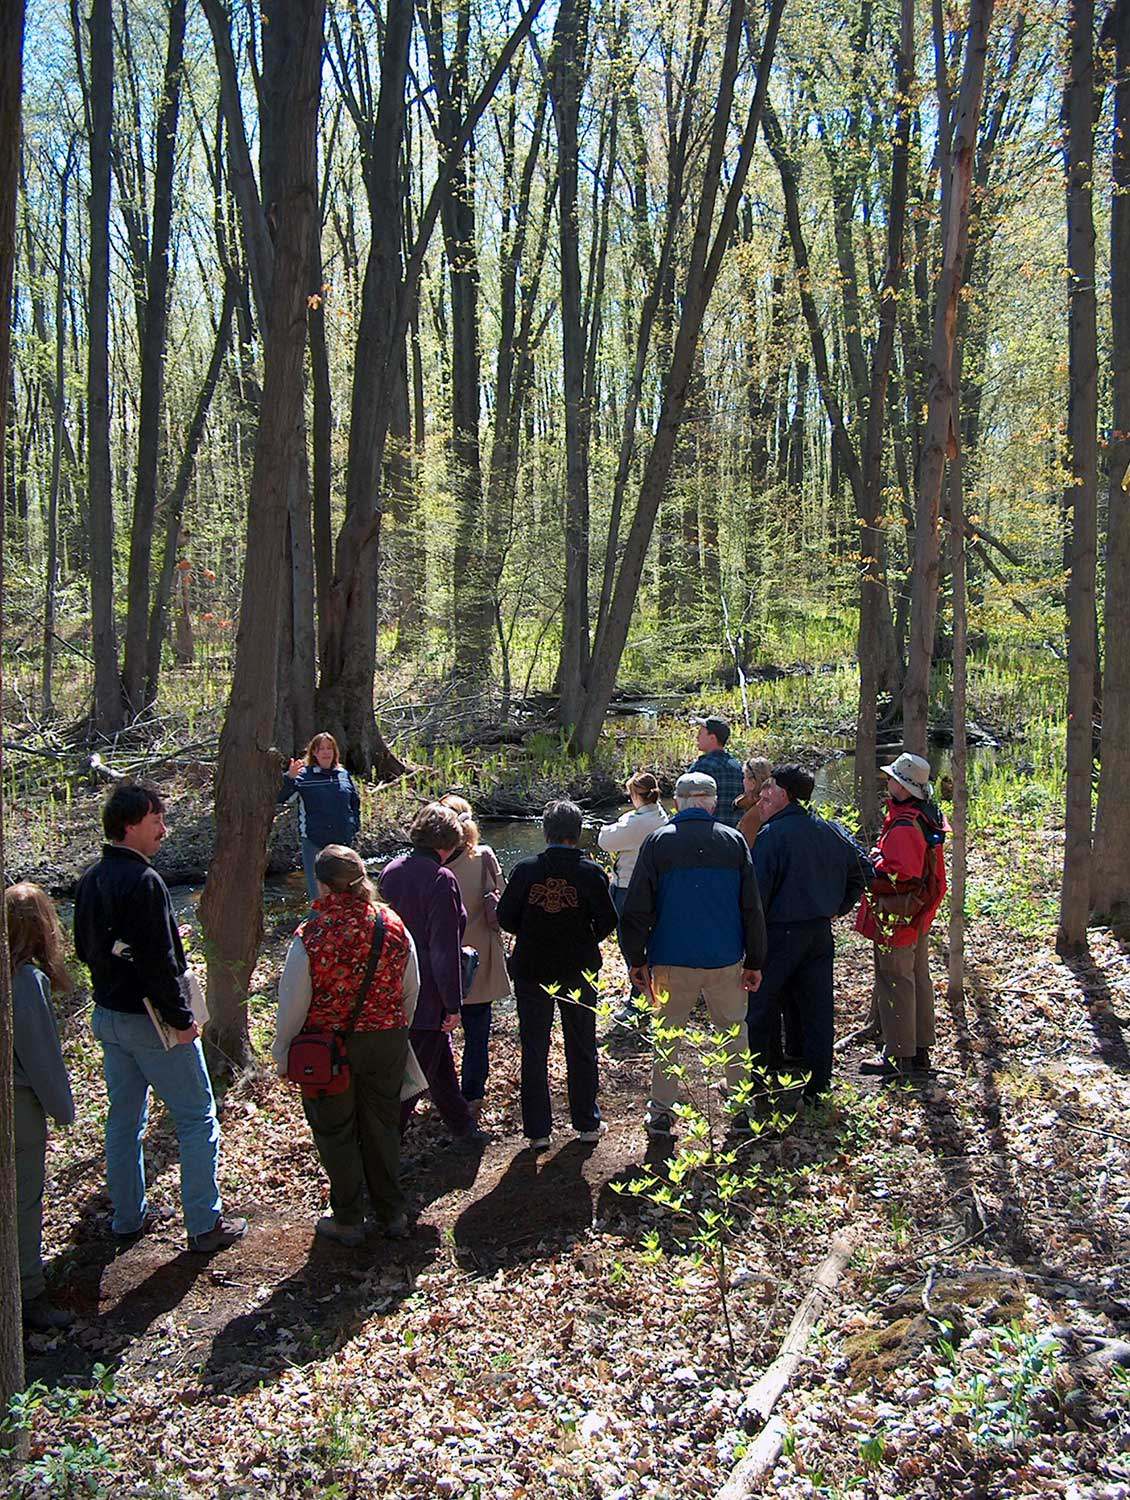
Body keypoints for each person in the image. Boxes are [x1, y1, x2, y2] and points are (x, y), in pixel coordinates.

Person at [74, 782, 246, 1254]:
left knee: (124, 1121)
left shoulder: (91, 879)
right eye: (156, 823)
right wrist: (182, 1019)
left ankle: (128, 1218)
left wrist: (127, 954)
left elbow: (86, 948)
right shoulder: (145, 882)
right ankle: (204, 1225)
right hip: (150, 1022)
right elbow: (158, 966)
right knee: (197, 1118)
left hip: (108, 1016)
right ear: (130, 826)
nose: (164, 832)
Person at [273, 846, 417, 1243]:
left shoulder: (311, 935)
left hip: (326, 1050)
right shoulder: (392, 924)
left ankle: (350, 1219)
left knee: (335, 1131)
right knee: (383, 1126)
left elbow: (293, 1003)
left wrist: (283, 1052)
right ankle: (392, 1214)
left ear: (320, 883)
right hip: (385, 1041)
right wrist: (393, 1026)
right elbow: (411, 988)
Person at [619, 772, 766, 1137]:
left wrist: (635, 958)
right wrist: (755, 960)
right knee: (734, 1032)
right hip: (726, 958)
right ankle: (741, 1110)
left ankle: (661, 1114)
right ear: (713, 804)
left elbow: (636, 908)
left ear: (677, 804)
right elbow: (752, 908)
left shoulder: (658, 842)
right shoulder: (732, 842)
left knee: (667, 1035)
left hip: (671, 959)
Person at [497, 800, 619, 1150]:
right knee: (581, 1044)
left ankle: (538, 1132)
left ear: (545, 831)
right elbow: (609, 921)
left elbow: (505, 917)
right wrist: (583, 937)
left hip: (532, 968)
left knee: (534, 1048)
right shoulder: (591, 873)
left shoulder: (525, 870)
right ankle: (587, 1123)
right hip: (578, 969)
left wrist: (533, 931)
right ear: (577, 834)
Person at [745, 765, 867, 1100]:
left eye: (769, 788)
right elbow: (863, 869)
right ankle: (818, 1085)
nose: (763, 794)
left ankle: (756, 1083)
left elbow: (757, 895)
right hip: (818, 934)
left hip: (780, 934)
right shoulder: (830, 830)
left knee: (758, 1007)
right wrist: (838, 905)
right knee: (818, 1010)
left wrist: (750, 942)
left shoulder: (773, 835)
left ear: (785, 794)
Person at [380, 803, 486, 1151]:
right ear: (447, 844)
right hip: (427, 994)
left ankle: (463, 1127)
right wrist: (452, 1005)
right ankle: (381, 1153)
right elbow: (444, 948)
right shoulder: (441, 880)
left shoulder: (391, 871)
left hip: (394, 985)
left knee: (437, 1064)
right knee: (412, 1079)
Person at [8, 884, 76, 1331]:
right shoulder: (25, 981)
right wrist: (63, 1109)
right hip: (19, 1108)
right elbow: (41, 1056)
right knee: (24, 1201)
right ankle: (27, 1293)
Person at [856, 753, 948, 1079]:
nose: (888, 781)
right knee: (916, 977)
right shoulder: (923, 816)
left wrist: (870, 869)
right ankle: (918, 1050)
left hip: (900, 913)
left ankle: (898, 1056)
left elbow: (902, 876)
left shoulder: (907, 823)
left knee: (895, 979)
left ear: (905, 787)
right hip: (916, 911)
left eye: (893, 778)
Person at [439, 795, 510, 1112]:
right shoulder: (484, 857)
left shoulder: (432, 863)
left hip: (441, 957)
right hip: (479, 954)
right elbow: (504, 900)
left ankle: (443, 1091)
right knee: (478, 1030)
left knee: (440, 1030)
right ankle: (473, 1093)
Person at [597, 772, 668, 1024]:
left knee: (631, 947)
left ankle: (639, 1002)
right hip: (650, 888)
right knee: (644, 945)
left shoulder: (638, 822)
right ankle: (647, 996)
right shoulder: (659, 815)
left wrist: (619, 822)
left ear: (636, 795)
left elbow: (604, 840)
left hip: (629, 888)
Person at [278, 732, 362, 900]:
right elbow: (280, 798)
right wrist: (289, 778)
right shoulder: (303, 776)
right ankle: (317, 925)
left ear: (335, 751)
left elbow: (354, 803)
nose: (326, 752)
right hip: (314, 842)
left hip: (343, 843)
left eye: (329, 748)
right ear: (314, 753)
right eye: (321, 749)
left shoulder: (343, 775)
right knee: (319, 898)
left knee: (348, 893)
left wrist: (353, 827)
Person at [687, 716, 744, 828]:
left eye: (701, 733)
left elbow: (686, 799)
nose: (697, 737)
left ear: (712, 738)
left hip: (706, 832)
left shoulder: (702, 767)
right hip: (733, 833)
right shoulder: (738, 767)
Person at [734, 756, 772, 847]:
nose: (743, 781)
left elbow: (747, 853)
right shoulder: (775, 805)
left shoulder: (753, 816)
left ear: (753, 783)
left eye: (745, 777)